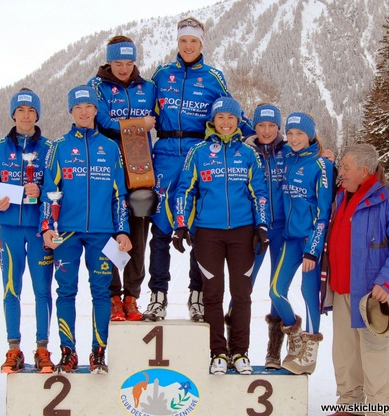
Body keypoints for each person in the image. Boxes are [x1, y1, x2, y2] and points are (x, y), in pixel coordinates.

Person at [145, 16, 253, 322]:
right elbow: (141, 110)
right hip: (165, 154)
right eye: (183, 41)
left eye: (194, 41)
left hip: (200, 154)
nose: (188, 46)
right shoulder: (162, 75)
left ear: (202, 44)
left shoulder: (213, 77)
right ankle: (158, 295)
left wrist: (260, 137)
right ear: (177, 43)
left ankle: (197, 294)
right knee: (162, 227)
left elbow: (230, 115)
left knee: (197, 228)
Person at [321, 144, 389, 416]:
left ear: (365, 171)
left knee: (375, 352)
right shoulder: (341, 195)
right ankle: (350, 406)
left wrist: (386, 282)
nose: (341, 173)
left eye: (346, 168)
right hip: (342, 288)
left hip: (374, 295)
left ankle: (379, 413)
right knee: (345, 352)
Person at [172, 97, 268, 375]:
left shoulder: (249, 154)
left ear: (239, 122)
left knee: (242, 295)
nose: (226, 123)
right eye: (221, 118)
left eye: (231, 118)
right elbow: (185, 190)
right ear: (212, 121)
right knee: (212, 295)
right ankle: (217, 353)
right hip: (208, 234)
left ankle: (240, 352)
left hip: (242, 232)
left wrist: (261, 226)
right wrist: (181, 225)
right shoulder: (198, 152)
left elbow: (258, 193)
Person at [40, 85, 132, 374]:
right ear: (71, 111)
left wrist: (122, 230)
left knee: (101, 293)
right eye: (78, 107)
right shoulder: (59, 147)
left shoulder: (110, 147)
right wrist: (46, 227)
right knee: (66, 291)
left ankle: (99, 352)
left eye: (88, 107)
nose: (83, 112)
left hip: (102, 233)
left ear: (95, 110)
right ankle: (68, 352)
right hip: (66, 232)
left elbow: (120, 194)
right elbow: (48, 191)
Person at [0, 88, 55, 373]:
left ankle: (43, 348)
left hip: (38, 228)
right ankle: (13, 349)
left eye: (31, 111)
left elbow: (59, 185)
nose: (26, 115)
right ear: (13, 114)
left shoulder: (49, 147)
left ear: (37, 115)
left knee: (42, 290)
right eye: (21, 110)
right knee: (12, 289)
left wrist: (42, 188)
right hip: (9, 228)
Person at [88, 35, 157, 322]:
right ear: (109, 61)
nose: (124, 68)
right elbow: (102, 122)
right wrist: (138, 124)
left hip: (142, 173)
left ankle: (132, 297)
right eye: (118, 62)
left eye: (129, 62)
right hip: (108, 172)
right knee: (111, 236)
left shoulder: (149, 88)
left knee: (139, 238)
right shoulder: (96, 87)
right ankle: (114, 296)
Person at [272, 112, 334, 375]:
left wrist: (313, 250)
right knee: (276, 292)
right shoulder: (287, 157)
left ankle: (309, 352)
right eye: (291, 133)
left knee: (309, 295)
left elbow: (323, 213)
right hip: (290, 238)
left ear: (310, 135)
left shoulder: (322, 165)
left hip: (311, 242)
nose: (294, 138)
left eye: (300, 133)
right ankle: (294, 334)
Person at [229, 103, 288, 369]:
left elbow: (312, 163)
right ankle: (233, 345)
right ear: (254, 126)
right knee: (243, 286)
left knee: (279, 289)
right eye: (262, 125)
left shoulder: (289, 152)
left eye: (272, 126)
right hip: (253, 229)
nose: (266, 131)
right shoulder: (244, 151)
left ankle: (273, 350)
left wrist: (327, 157)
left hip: (283, 230)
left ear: (279, 128)